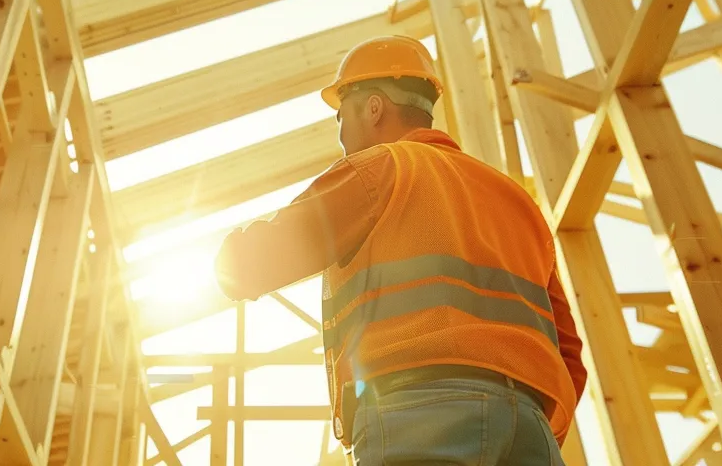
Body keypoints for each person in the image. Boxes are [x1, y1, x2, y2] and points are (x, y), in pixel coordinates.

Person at [213, 35, 587, 465]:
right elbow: (569, 354)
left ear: (373, 108)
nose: (340, 134)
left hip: (418, 413)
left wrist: (222, 261)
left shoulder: (383, 169)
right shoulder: (518, 202)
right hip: (529, 423)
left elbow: (251, 264)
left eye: (341, 115)